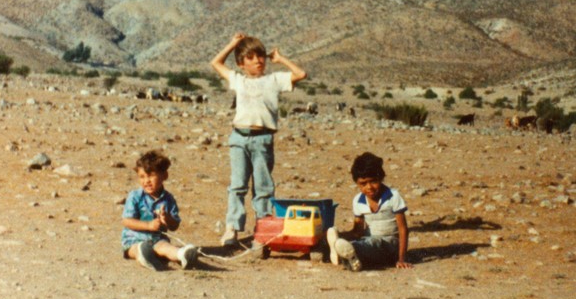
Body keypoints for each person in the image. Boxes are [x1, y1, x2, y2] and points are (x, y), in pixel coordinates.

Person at [210, 32, 307, 246]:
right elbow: (215, 62)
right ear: (241, 63)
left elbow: (300, 73)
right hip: (239, 137)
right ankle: (232, 228)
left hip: (262, 139)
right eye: (251, 58)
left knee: (263, 186)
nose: (258, 61)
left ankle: (263, 229)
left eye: (261, 56)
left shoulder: (274, 79)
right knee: (237, 185)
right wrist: (232, 43)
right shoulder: (238, 79)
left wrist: (280, 59)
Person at [327, 152, 412, 271]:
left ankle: (348, 253)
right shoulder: (358, 200)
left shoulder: (393, 196)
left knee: (373, 242)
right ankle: (348, 255)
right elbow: (358, 231)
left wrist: (402, 258)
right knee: (364, 243)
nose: (369, 187)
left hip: (390, 244)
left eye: (373, 181)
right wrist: (340, 235)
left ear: (381, 178)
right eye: (363, 183)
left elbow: (403, 229)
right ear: (357, 183)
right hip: (368, 243)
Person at [121, 150, 198, 270]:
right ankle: (144, 255)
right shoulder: (135, 196)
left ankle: (182, 255)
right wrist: (148, 225)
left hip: (157, 240)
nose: (146, 181)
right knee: (136, 249)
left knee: (165, 247)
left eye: (151, 175)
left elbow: (174, 226)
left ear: (164, 176)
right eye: (142, 177)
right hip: (134, 239)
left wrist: (167, 218)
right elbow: (126, 221)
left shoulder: (168, 199)